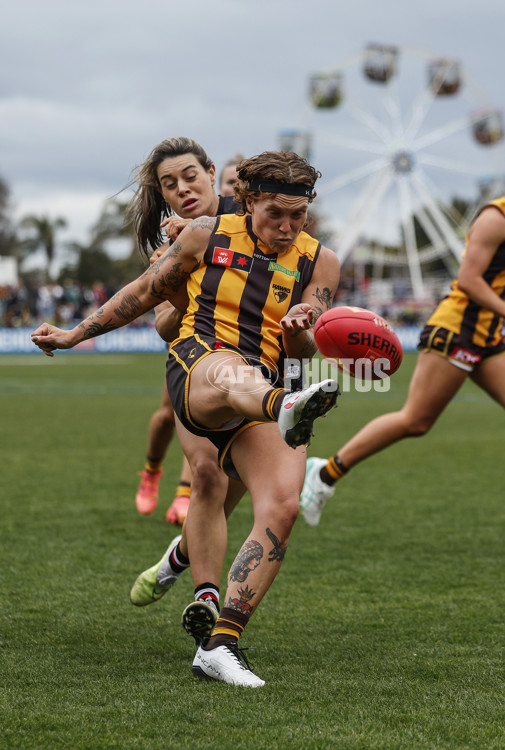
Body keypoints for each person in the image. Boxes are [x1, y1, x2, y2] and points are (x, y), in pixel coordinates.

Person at [32, 150, 341, 688]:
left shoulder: (322, 261)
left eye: (299, 215)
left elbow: (304, 350)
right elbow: (142, 296)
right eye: (275, 213)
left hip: (280, 379)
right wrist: (73, 334)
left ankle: (220, 646)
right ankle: (279, 411)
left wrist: (299, 325)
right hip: (204, 361)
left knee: (283, 506)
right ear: (248, 202)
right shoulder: (206, 236)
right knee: (229, 383)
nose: (288, 227)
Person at [300, 146, 505, 550]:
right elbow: (470, 280)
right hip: (455, 329)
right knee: (416, 421)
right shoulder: (494, 219)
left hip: (489, 336)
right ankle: (325, 473)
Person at [131, 139, 241, 525]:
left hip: (247, 358)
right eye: (170, 184)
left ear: (210, 176)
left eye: (190, 177)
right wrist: (186, 292)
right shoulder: (169, 250)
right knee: (170, 421)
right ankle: (153, 473)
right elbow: (163, 327)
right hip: (191, 355)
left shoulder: (252, 227)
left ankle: (186, 540)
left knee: (238, 478)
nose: (183, 189)